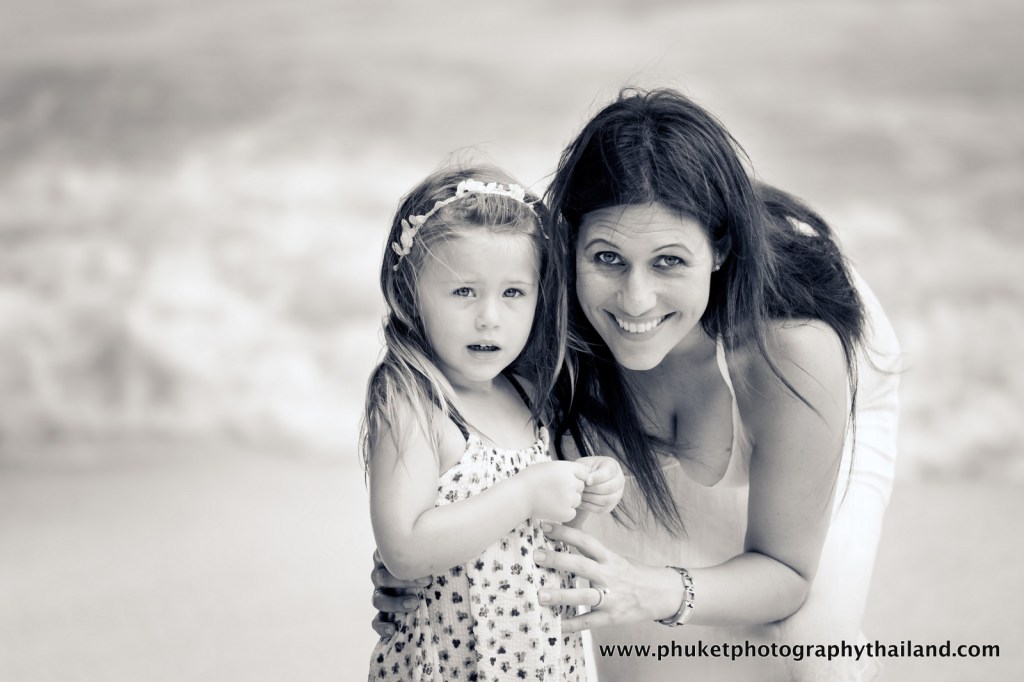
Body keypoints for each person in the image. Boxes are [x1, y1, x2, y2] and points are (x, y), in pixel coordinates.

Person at [372, 89, 901, 681]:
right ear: (570, 246)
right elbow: (456, 440)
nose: (636, 300)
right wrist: (421, 551)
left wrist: (653, 589)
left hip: (818, 362)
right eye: (608, 259)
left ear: (719, 250)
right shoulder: (539, 311)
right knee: (633, 655)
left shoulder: (795, 352)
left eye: (669, 261)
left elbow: (787, 572)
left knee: (809, 649)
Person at [362, 164, 625, 681]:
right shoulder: (414, 398)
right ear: (411, 292)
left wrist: (584, 492)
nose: (489, 317)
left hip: (541, 660)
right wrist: (526, 493)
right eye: (464, 291)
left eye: (513, 293)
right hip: (452, 663)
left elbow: (530, 538)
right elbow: (405, 550)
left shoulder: (525, 394)